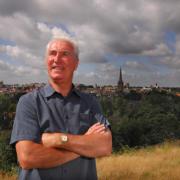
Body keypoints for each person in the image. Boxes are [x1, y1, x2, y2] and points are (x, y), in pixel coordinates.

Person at [10, 37, 112, 180]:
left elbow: (104, 146)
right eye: (52, 53)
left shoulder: (90, 102)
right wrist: (84, 145)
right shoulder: (28, 102)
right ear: (47, 61)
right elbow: (27, 157)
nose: (57, 59)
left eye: (65, 54)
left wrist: (58, 140)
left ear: (76, 63)